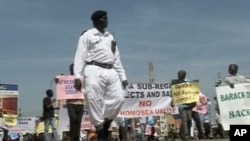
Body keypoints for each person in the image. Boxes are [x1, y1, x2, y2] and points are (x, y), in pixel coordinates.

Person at [73, 10, 128, 141]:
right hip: (93, 69)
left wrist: (123, 76)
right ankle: (100, 130)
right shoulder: (87, 35)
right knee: (94, 100)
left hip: (111, 70)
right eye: (104, 18)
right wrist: (77, 76)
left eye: (107, 18)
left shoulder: (110, 37)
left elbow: (116, 58)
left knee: (119, 98)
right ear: (96, 21)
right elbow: (80, 56)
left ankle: (106, 122)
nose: (106, 20)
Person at [55, 63, 85, 141]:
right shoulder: (66, 78)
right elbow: (60, 84)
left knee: (78, 121)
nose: (73, 69)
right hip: (70, 104)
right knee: (73, 118)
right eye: (72, 68)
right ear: (70, 69)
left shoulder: (81, 78)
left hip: (80, 103)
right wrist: (58, 80)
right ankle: (72, 138)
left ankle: (76, 138)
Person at [171, 70, 197, 141]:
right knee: (184, 120)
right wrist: (172, 101)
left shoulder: (188, 84)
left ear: (184, 75)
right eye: (179, 74)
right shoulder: (175, 84)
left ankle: (185, 134)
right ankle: (186, 135)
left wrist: (194, 100)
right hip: (181, 105)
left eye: (181, 74)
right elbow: (174, 94)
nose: (180, 75)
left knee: (189, 120)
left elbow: (192, 93)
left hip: (189, 105)